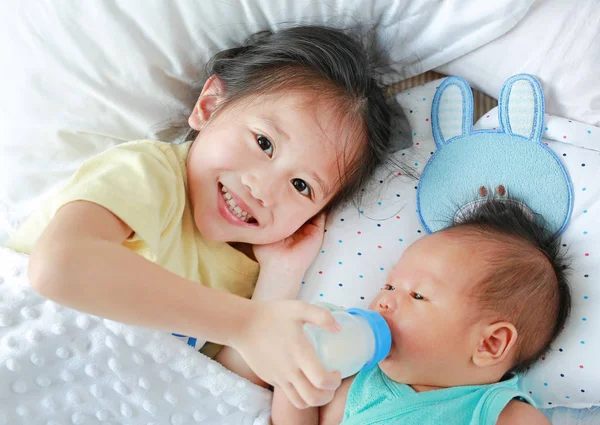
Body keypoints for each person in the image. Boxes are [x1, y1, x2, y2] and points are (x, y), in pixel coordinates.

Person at [4, 25, 409, 408]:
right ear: (210, 106)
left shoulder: (249, 272)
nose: (261, 188)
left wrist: (280, 278)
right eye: (264, 143)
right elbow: (60, 265)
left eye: (301, 186)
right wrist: (246, 323)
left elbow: (220, 390)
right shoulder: (151, 174)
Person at [218, 198, 571, 424]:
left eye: (418, 295)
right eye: (388, 286)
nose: (383, 301)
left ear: (489, 344)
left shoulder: (502, 414)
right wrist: (298, 379)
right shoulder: (357, 378)